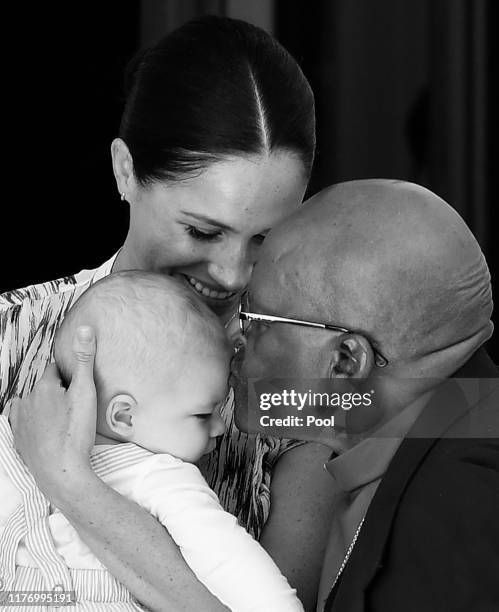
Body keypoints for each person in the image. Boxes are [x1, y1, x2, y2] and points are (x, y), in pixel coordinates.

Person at [1, 16, 336, 612]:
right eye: (202, 230)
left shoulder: (303, 379)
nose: (234, 275)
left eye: (266, 238)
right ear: (125, 170)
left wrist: (70, 482)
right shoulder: (11, 336)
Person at [230, 179, 499, 612]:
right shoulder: (440, 427)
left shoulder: (456, 521)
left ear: (345, 361)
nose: (235, 338)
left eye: (256, 319)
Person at [1, 271, 303, 611]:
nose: (220, 427)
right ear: (124, 416)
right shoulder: (161, 477)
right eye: (203, 414)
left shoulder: (13, 439)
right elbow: (267, 598)